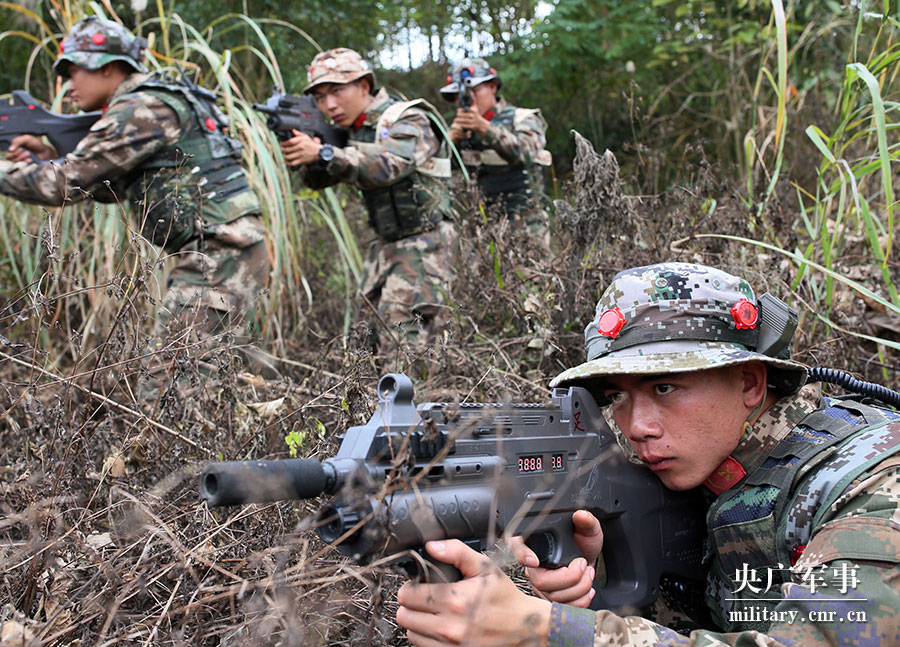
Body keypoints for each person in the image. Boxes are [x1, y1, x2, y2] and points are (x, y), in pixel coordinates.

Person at [395, 262, 900, 646]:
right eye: (617, 396)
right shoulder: (714, 468)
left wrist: (547, 630)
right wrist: (605, 580)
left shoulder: (872, 487)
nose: (636, 427)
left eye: (664, 387)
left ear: (749, 382)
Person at [0, 17, 270, 381]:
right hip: (228, 253)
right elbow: (100, 186)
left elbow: (63, 185)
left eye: (74, 69)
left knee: (168, 385)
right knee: (213, 380)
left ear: (107, 67)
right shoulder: (153, 100)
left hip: (219, 257)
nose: (68, 83)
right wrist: (43, 156)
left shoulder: (140, 108)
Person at [280, 48, 455, 350]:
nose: (329, 104)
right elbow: (317, 180)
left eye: (336, 91)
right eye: (320, 98)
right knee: (366, 341)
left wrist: (324, 153)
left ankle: (423, 398)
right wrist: (301, 151)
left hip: (426, 244)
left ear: (364, 86)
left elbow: (389, 167)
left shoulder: (408, 118)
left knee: (404, 343)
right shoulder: (351, 132)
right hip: (385, 248)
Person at [440, 58, 551, 237]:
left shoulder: (522, 119)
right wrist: (451, 140)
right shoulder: (457, 129)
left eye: (475, 91)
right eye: (457, 96)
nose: (468, 100)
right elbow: (434, 173)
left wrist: (484, 128)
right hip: (478, 229)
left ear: (493, 87)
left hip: (525, 227)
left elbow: (525, 153)